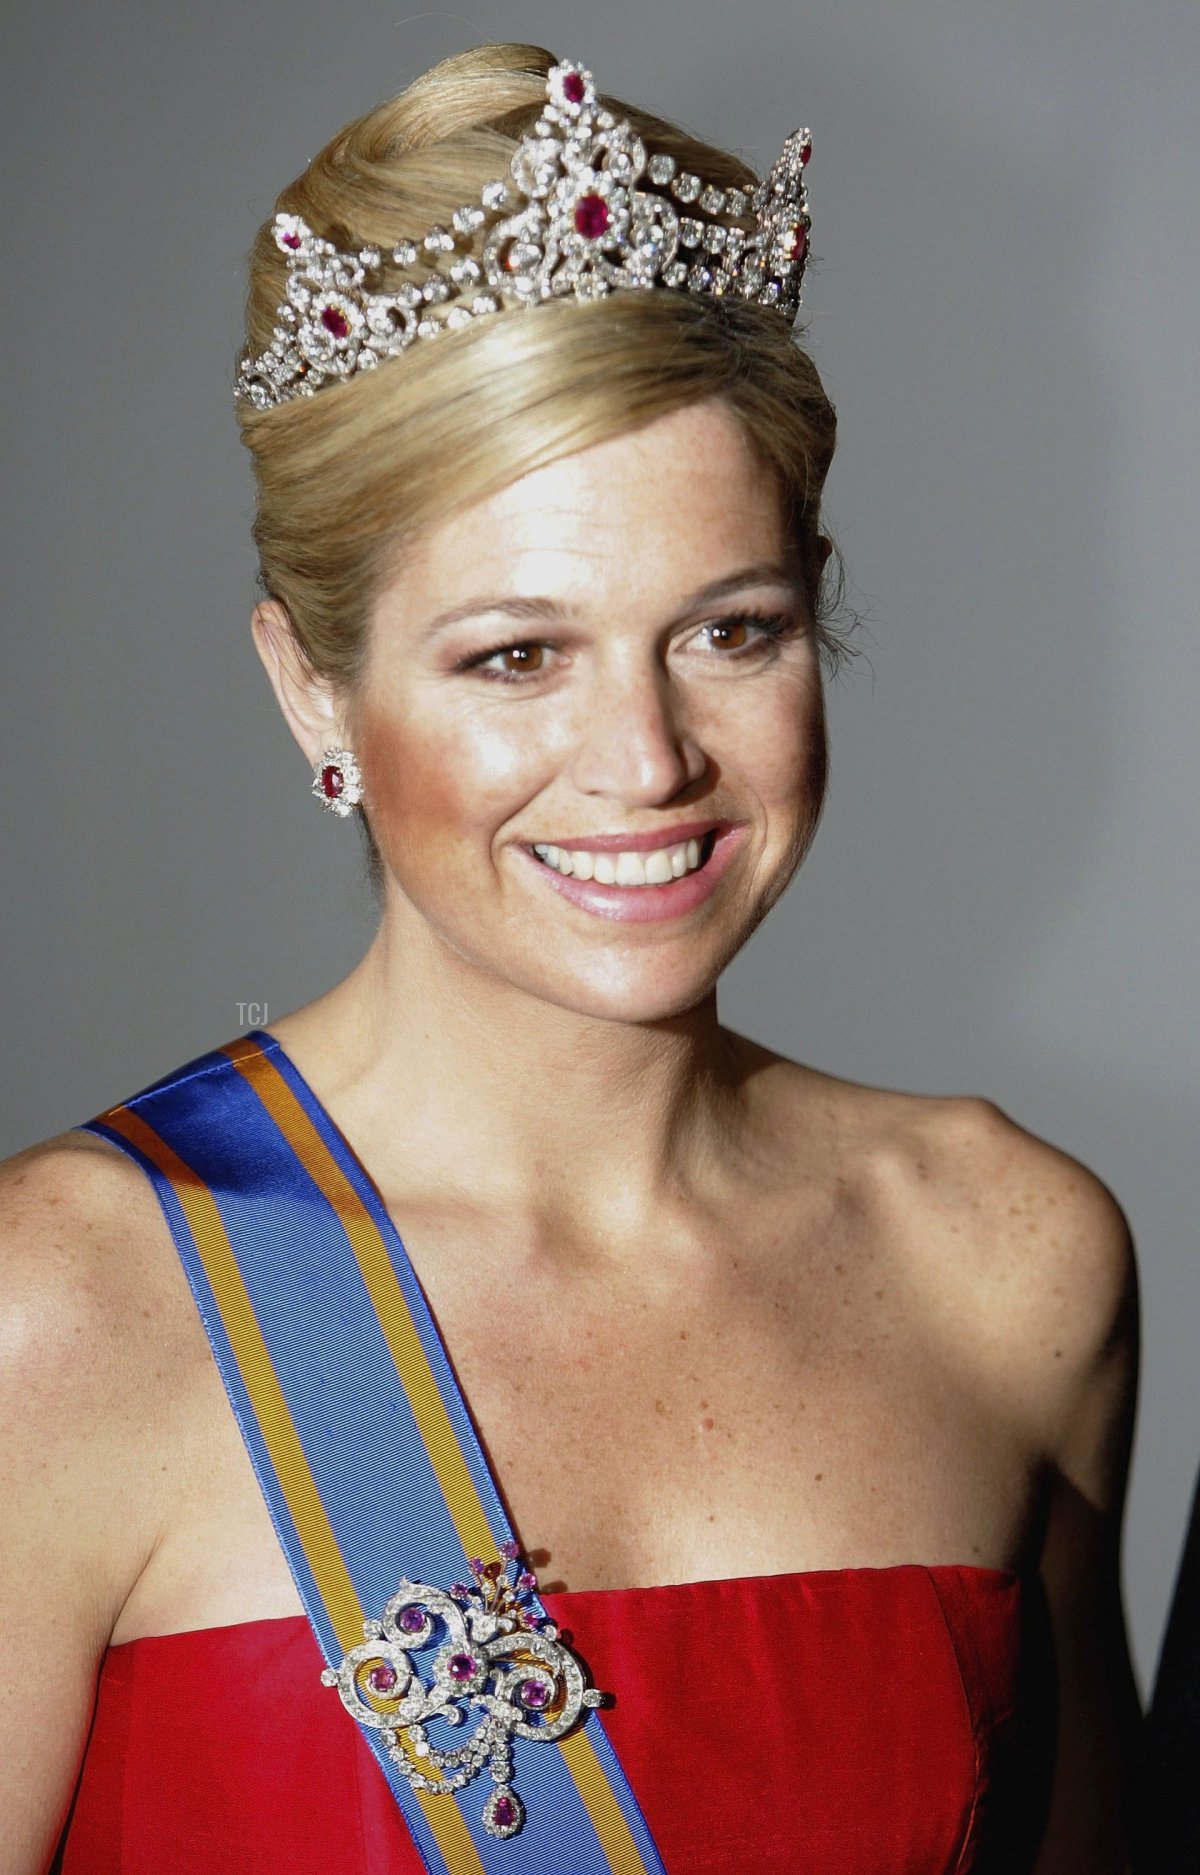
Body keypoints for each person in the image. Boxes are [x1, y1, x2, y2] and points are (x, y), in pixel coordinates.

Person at [1, 40, 1142, 1875]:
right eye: (517, 655)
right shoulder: (63, 1314)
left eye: (731, 632)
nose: (645, 761)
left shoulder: (1009, 1262)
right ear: (315, 687)